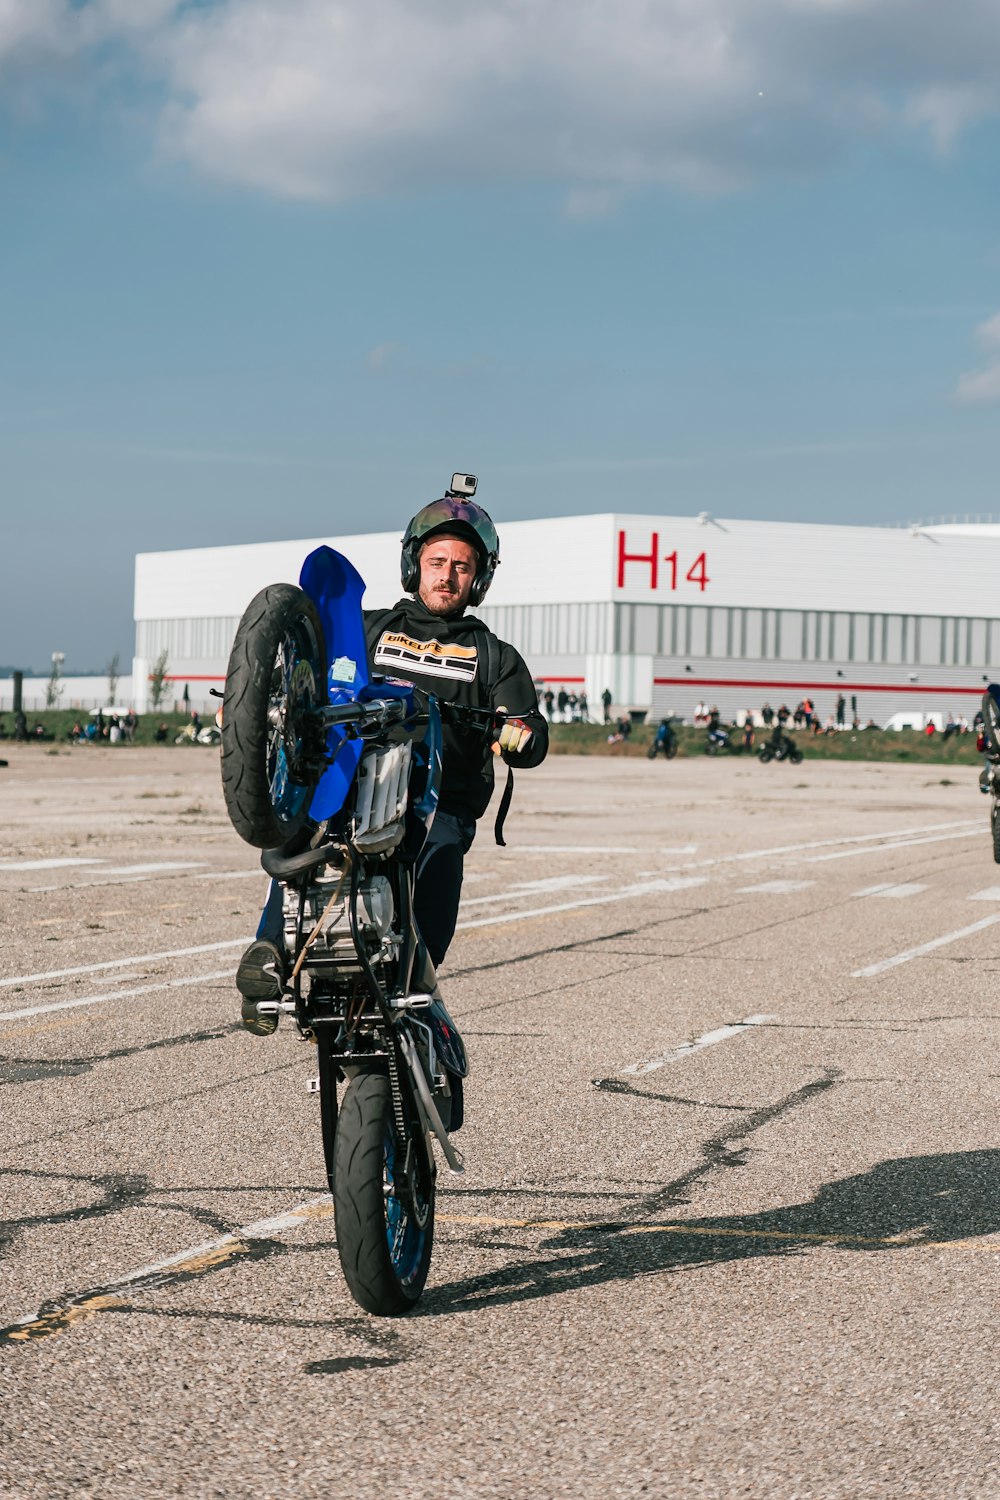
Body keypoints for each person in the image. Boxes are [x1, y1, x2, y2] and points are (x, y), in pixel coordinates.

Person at [236, 491, 549, 1043]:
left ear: (478, 580)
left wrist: (519, 735)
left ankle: (415, 1000)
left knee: (432, 897)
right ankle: (270, 959)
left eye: (461, 566)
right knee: (301, 836)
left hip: (442, 804)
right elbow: (305, 670)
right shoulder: (367, 628)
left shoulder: (495, 655)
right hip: (356, 782)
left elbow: (529, 726)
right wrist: (253, 702)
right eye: (437, 563)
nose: (447, 576)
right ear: (414, 566)